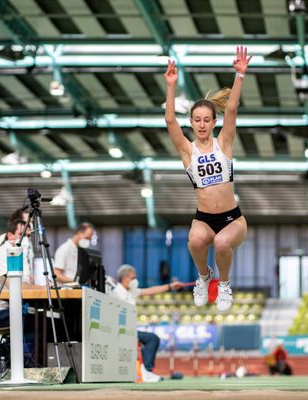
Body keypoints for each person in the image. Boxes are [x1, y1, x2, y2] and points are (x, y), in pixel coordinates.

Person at [164, 46, 251, 312]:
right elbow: (169, 121)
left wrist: (240, 76)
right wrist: (171, 86)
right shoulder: (187, 151)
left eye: (206, 120)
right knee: (195, 241)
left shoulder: (223, 143)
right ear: (191, 122)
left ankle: (223, 285)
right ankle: (204, 277)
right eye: (197, 120)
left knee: (223, 243)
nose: (202, 124)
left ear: (214, 123)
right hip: (204, 218)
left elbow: (233, 109)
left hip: (232, 219)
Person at [111, 264, 184, 382]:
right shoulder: (115, 292)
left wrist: (171, 286)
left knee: (152, 339)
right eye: (133, 277)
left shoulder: (131, 291)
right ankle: (146, 371)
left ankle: (146, 371)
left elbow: (150, 290)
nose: (135, 280)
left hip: (130, 331)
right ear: (125, 278)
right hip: (119, 331)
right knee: (151, 339)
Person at [0, 217, 43, 334]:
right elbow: (16, 286)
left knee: (38, 314)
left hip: (2, 310)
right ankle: (28, 352)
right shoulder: (2, 253)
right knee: (39, 318)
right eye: (22, 235)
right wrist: (43, 288)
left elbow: (25, 282)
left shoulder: (17, 255)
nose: (26, 239)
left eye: (28, 236)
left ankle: (30, 351)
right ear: (10, 235)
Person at [0, 208, 34, 284]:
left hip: (25, 284)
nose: (30, 225)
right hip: (12, 285)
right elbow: (2, 268)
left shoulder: (27, 241)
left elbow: (28, 263)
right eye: (28, 222)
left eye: (32, 222)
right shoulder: (5, 240)